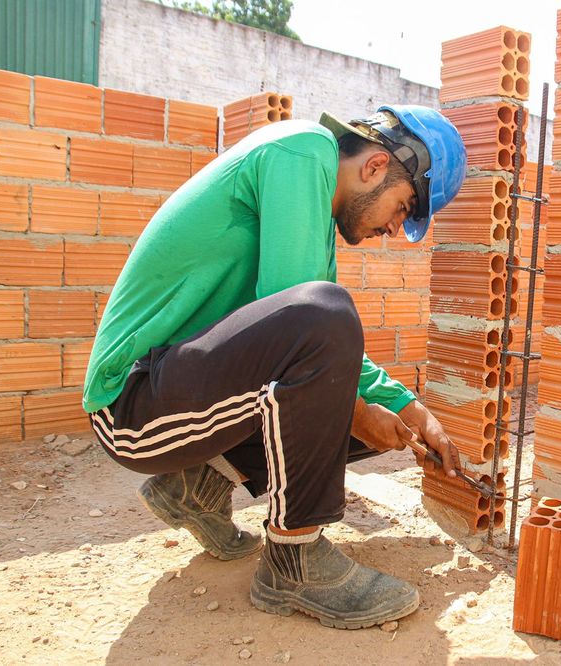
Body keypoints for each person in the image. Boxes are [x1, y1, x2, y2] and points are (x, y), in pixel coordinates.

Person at [81, 105, 467, 629]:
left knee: (360, 393)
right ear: (376, 166)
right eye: (402, 208)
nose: (396, 230)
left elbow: (321, 342)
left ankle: (196, 487)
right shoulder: (302, 150)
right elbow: (315, 330)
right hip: (131, 407)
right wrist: (358, 411)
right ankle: (293, 559)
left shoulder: (309, 195)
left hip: (174, 388)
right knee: (331, 336)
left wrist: (410, 408)